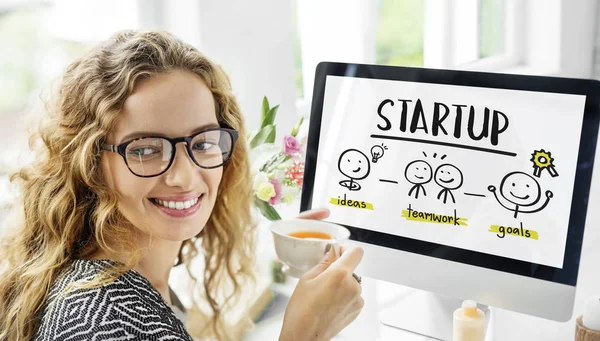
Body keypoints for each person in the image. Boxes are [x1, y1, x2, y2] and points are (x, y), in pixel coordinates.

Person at [0, 30, 364, 341]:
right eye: (145, 149)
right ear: (90, 162)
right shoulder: (107, 319)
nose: (184, 177)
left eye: (203, 142)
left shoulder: (129, 283)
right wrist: (304, 333)